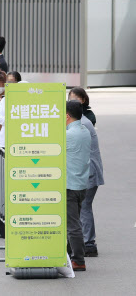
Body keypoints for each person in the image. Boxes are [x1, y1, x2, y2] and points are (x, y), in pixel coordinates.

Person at [68, 95, 104, 257]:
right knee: (81, 211)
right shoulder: (83, 125)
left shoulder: (80, 126)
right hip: (85, 176)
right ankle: (85, 244)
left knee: (80, 214)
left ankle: (87, 244)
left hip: (83, 176)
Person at [65, 101, 91, 271]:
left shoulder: (68, 135)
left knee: (73, 225)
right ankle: (70, 254)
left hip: (70, 185)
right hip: (81, 183)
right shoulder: (85, 131)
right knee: (75, 222)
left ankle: (78, 260)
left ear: (67, 116)